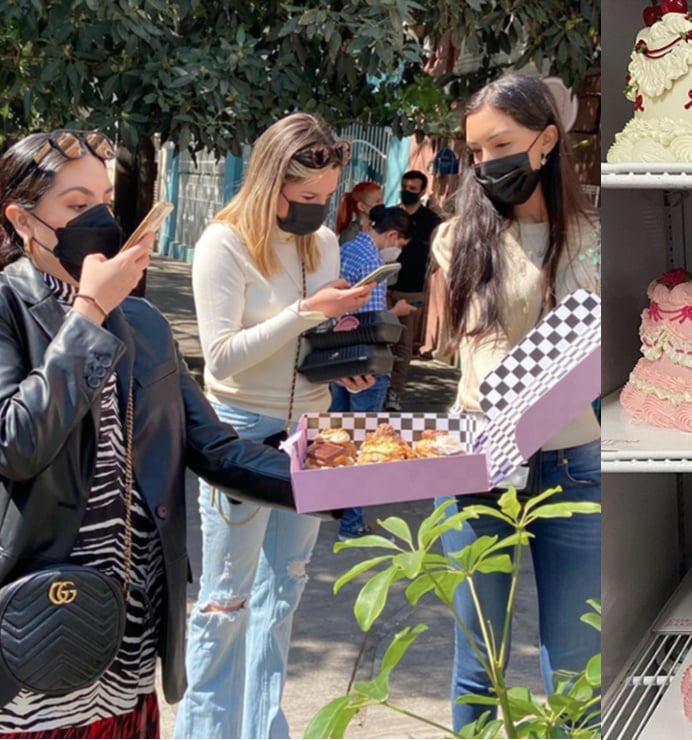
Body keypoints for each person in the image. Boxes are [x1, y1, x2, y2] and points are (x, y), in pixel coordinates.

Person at [0, 129, 322, 738]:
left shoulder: (143, 324)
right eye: (74, 205)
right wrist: (89, 313)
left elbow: (218, 451)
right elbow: (18, 443)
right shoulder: (9, 310)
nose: (98, 217)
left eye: (103, 198)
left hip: (129, 631)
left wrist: (333, 481)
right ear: (22, 219)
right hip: (36, 626)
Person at [174, 113, 375, 739]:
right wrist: (303, 311)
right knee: (224, 601)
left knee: (284, 591)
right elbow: (223, 355)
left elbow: (306, 341)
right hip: (239, 432)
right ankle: (206, 731)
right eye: (306, 197)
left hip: (311, 426)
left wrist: (344, 365)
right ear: (269, 182)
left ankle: (266, 729)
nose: (319, 209)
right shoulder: (223, 244)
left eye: (329, 197)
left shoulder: (324, 244)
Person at [430, 74, 601, 732]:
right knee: (481, 666)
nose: (485, 163)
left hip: (573, 466)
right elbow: (472, 361)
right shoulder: (456, 239)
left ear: (546, 140)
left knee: (576, 671)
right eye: (475, 152)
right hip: (476, 463)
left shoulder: (592, 239)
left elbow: (598, 355)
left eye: (499, 144)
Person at [331, 204, 416, 541]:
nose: (398, 251)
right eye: (401, 244)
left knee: (336, 436)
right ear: (392, 235)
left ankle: (330, 505)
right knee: (363, 444)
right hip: (364, 366)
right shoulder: (373, 263)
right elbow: (367, 323)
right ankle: (351, 524)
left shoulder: (348, 249)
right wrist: (394, 312)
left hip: (338, 360)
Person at [383, 170, 442, 411]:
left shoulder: (432, 221)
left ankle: (394, 393)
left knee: (404, 344)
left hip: (413, 290)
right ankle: (378, 387)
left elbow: (438, 255)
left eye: (412, 188)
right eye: (404, 186)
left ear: (423, 191)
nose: (407, 191)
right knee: (382, 339)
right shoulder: (391, 216)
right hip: (385, 286)